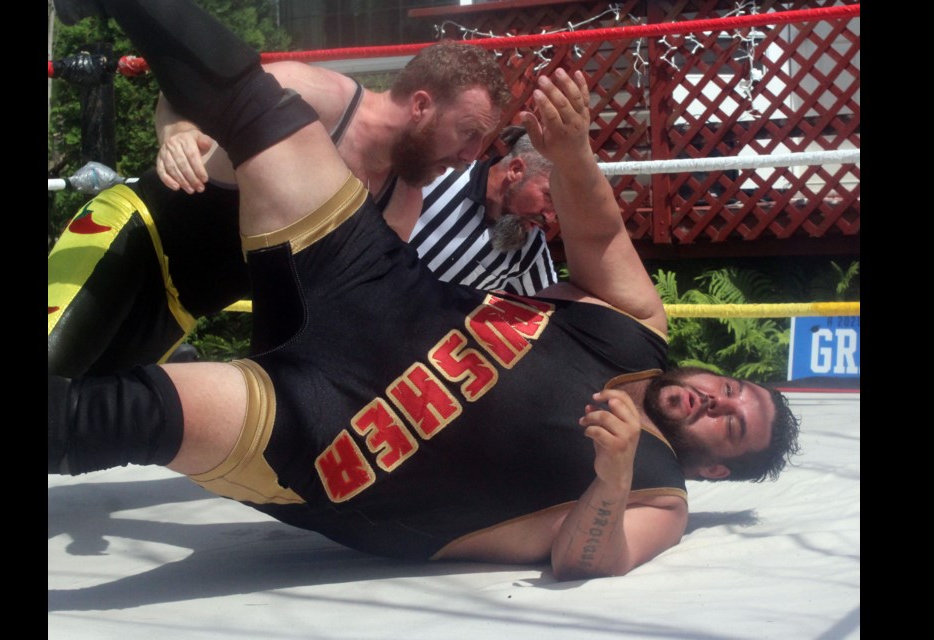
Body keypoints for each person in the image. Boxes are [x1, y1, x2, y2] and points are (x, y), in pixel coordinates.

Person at [49, 0, 800, 580]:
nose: (716, 400)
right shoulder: (638, 325)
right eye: (732, 389)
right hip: (368, 287)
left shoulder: (660, 496)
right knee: (262, 110)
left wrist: (611, 476)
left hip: (336, 438)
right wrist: (571, 157)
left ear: (713, 468)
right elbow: (601, 239)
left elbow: (585, 559)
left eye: (732, 425)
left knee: (123, 412)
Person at [48, 34, 511, 377]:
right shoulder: (311, 96)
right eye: (469, 132)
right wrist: (178, 132)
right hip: (133, 236)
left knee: (78, 418)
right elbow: (179, 90)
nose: (471, 157)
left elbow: (352, 305)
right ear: (422, 106)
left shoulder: (400, 203)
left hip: (182, 308)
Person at [412, 129, 559, 295]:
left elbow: (550, 310)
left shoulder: (530, 245)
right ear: (515, 170)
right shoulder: (437, 178)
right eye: (550, 196)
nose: (551, 217)